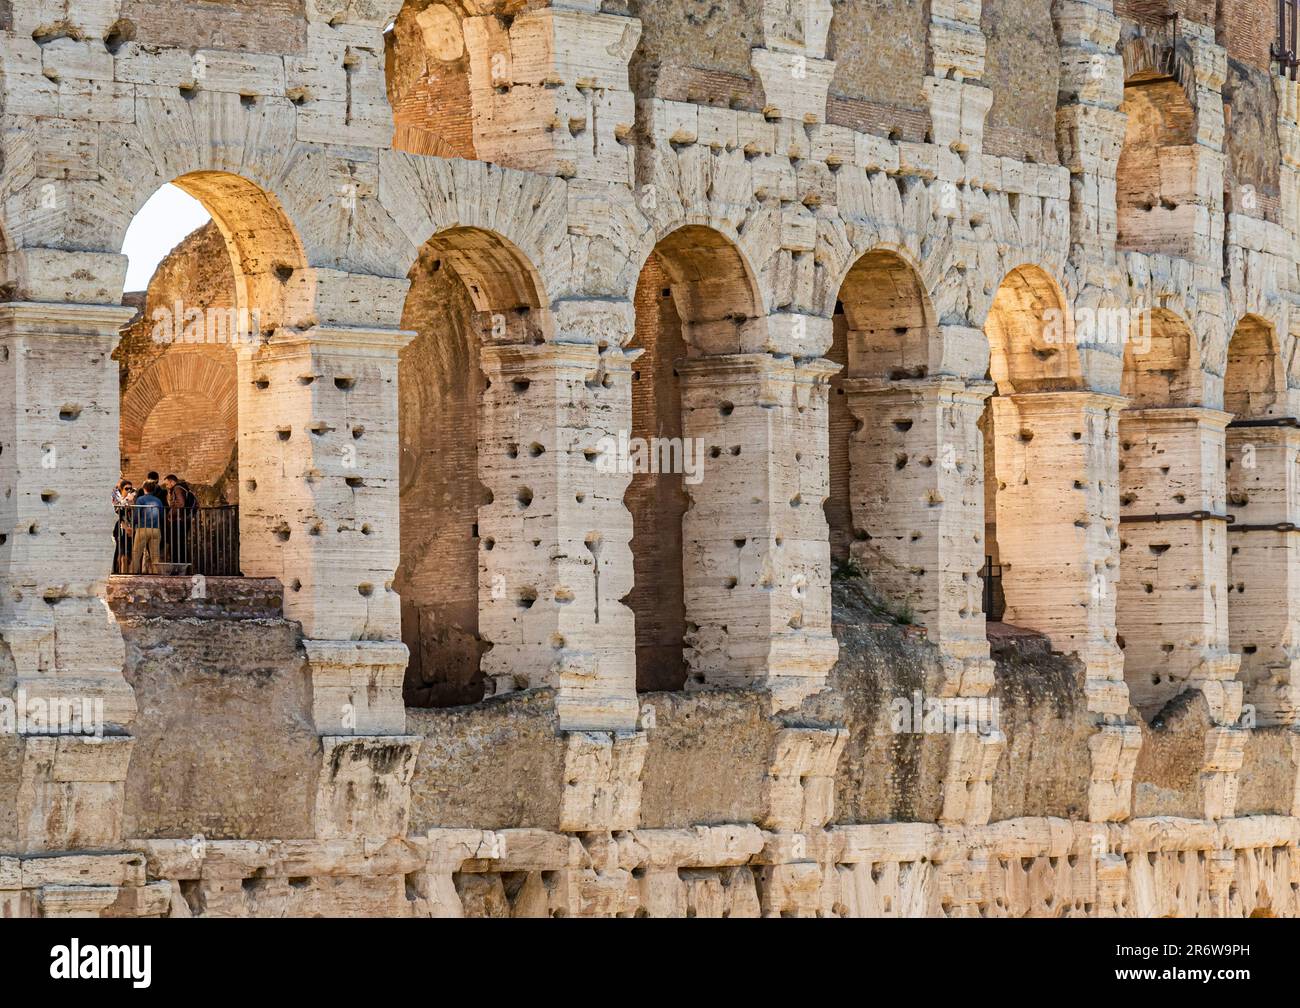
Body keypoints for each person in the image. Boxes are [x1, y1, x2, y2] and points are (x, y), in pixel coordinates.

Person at [162, 474, 197, 568]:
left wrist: (170, 514)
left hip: (178, 520)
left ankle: (178, 565)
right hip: (183, 519)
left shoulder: (177, 488)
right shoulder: (183, 488)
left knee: (176, 543)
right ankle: (183, 565)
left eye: (167, 484)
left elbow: (181, 504)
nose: (167, 486)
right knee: (180, 543)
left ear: (172, 481)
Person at [129, 480, 164, 574]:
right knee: (155, 556)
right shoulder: (158, 501)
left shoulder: (140, 499)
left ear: (144, 488)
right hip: (156, 529)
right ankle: (156, 574)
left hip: (143, 528)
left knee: (136, 553)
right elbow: (161, 515)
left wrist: (133, 525)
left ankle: (133, 574)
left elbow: (137, 515)